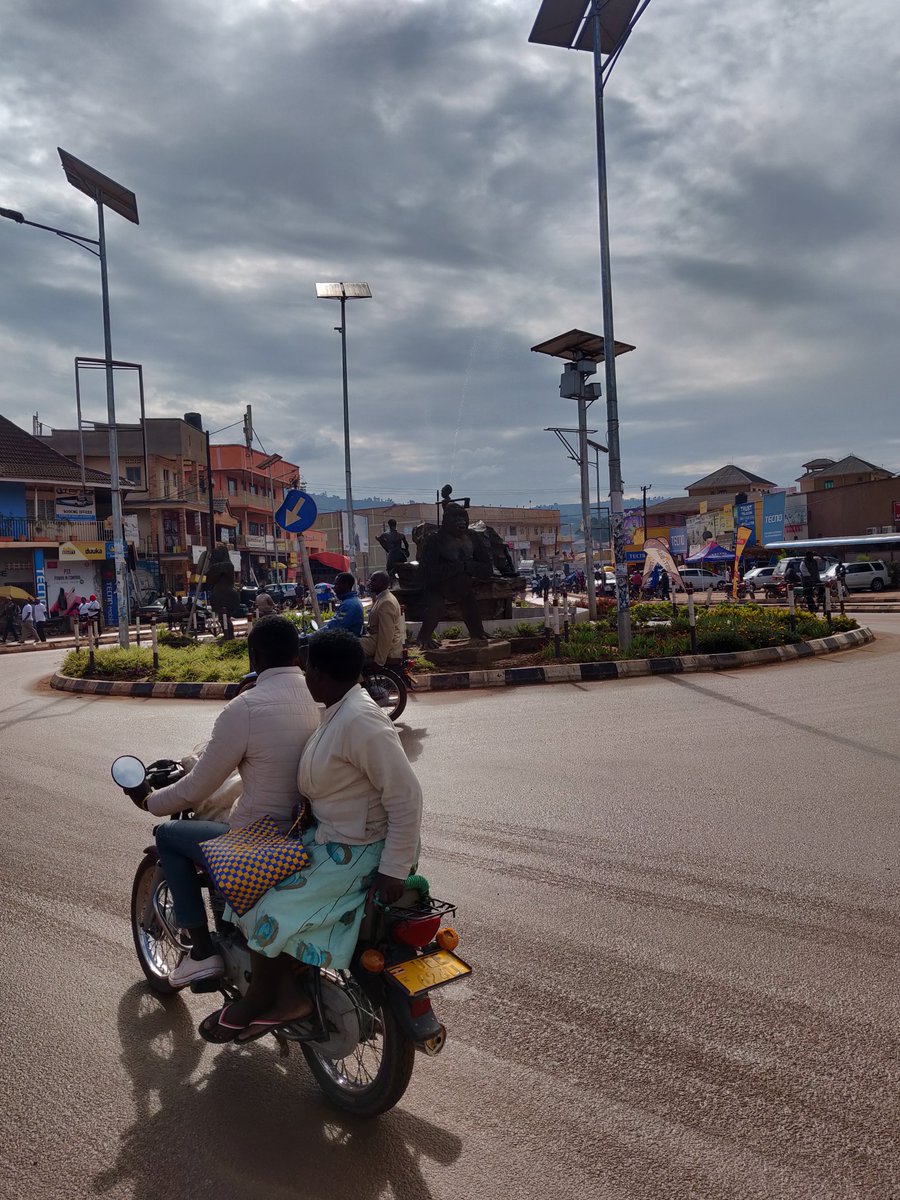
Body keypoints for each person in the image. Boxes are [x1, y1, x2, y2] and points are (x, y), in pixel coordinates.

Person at [199, 629, 423, 1042]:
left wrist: (392, 871)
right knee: (246, 883)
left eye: (307, 670)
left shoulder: (361, 721)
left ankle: (269, 1000)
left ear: (317, 672)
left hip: (362, 851)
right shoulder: (338, 709)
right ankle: (283, 987)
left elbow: (407, 798)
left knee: (266, 907)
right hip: (333, 841)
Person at [125, 616, 321, 988]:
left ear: (254, 656)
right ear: (299, 654)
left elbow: (197, 786)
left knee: (168, 834)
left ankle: (201, 953)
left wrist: (150, 802)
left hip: (259, 836)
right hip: (310, 829)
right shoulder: (325, 695)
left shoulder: (246, 708)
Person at [360, 571, 405, 666]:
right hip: (374, 640)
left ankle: (356, 679)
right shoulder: (381, 598)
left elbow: (386, 634)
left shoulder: (386, 602)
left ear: (383, 583)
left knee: (349, 647)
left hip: (386, 646)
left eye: (374, 581)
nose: (370, 583)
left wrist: (379, 661)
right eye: (370, 580)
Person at [206, 543, 238, 639]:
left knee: (225, 617)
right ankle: (227, 636)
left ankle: (229, 636)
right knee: (222, 618)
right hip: (219, 594)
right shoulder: (223, 566)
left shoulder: (227, 565)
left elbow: (212, 573)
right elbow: (210, 579)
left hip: (226, 595)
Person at [322, 572, 364, 637]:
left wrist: (308, 638)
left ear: (345, 585)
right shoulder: (352, 601)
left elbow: (334, 627)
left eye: (337, 584)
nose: (335, 588)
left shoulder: (348, 605)